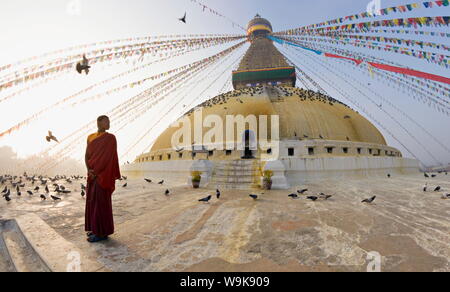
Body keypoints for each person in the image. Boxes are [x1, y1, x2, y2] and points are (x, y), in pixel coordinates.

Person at [84, 115, 121, 243]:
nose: (109, 123)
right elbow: (86, 155)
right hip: (92, 175)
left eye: (109, 121)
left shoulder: (111, 138)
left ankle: (101, 233)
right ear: (99, 122)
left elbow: (108, 158)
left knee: (102, 204)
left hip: (103, 176)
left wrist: (97, 172)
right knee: (92, 202)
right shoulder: (90, 137)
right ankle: (94, 229)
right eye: (107, 121)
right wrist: (89, 170)